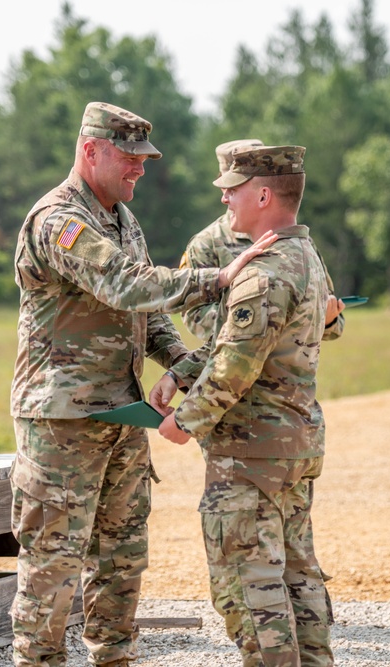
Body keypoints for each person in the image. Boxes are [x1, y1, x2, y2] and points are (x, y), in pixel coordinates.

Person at [9, 102, 275, 667]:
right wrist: (219, 279)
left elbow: (147, 317)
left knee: (121, 556)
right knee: (53, 565)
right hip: (63, 422)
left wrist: (180, 362)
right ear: (90, 152)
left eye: (144, 159)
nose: (140, 169)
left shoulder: (123, 220)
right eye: (129, 158)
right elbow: (125, 285)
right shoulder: (61, 220)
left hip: (121, 414)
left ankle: (115, 658)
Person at [151, 145, 337, 667]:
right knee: (298, 575)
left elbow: (236, 361)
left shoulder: (264, 271)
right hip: (292, 444)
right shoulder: (307, 256)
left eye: (233, 188)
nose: (225, 196)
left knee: (249, 586)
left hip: (251, 452)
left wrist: (185, 421)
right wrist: (181, 372)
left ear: (262, 195)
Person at [180, 139, 344, 342]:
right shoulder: (207, 243)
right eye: (233, 182)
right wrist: (255, 323)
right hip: (234, 365)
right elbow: (194, 315)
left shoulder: (297, 241)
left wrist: (327, 321)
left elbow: (331, 320)